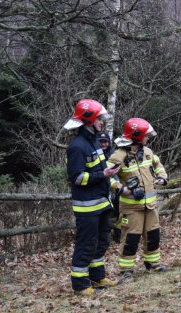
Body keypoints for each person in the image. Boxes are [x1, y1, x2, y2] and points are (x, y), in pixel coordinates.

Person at [64, 99, 119, 296]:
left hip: (101, 202)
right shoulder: (77, 147)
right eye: (99, 120)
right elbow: (77, 178)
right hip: (87, 206)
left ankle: (97, 276)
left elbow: (100, 168)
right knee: (86, 244)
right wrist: (103, 175)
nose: (101, 123)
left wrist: (109, 173)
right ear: (88, 121)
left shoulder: (94, 141)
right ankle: (80, 284)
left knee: (102, 241)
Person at [107, 118, 169, 283]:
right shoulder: (118, 156)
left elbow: (158, 165)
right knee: (130, 239)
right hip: (131, 207)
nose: (148, 138)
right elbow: (107, 179)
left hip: (151, 206)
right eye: (146, 135)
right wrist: (121, 189)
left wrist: (162, 177)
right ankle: (126, 270)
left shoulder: (148, 152)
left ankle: (153, 263)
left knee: (153, 235)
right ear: (137, 135)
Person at [98, 132, 122, 243]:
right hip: (100, 185)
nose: (103, 144)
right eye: (101, 141)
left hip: (114, 184)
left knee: (118, 209)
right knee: (104, 210)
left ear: (108, 142)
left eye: (105, 141)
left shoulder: (114, 153)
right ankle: (105, 235)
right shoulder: (95, 153)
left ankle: (118, 235)